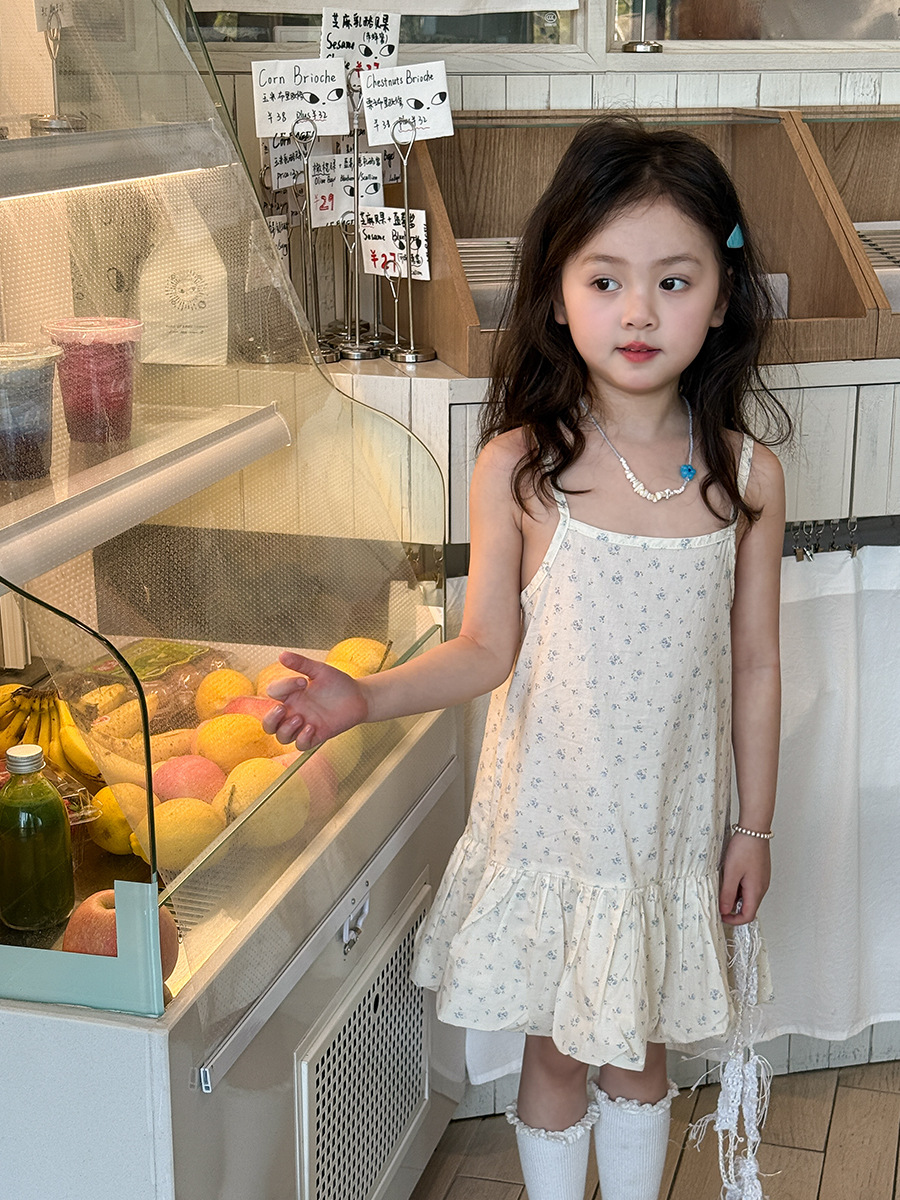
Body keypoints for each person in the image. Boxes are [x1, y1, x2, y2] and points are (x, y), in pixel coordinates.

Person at [264, 114, 789, 1200]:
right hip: (553, 831)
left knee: (639, 1050)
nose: (638, 311)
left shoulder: (746, 476)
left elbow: (756, 666)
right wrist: (365, 697)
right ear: (556, 294)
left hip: (666, 832)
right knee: (554, 1052)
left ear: (723, 297)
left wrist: (754, 827)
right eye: (605, 281)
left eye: (674, 281)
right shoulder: (519, 468)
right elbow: (482, 650)